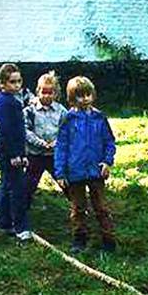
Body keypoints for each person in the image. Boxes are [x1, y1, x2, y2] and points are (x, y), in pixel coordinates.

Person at [54, 76, 116, 253]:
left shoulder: (99, 117)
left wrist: (107, 161)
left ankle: (108, 239)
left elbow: (109, 141)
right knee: (78, 208)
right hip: (75, 172)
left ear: (93, 95)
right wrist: (60, 173)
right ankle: (79, 238)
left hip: (96, 171)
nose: (85, 99)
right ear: (72, 98)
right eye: (80, 96)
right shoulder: (68, 119)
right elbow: (61, 146)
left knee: (101, 207)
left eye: (88, 94)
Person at [0, 63, 31, 240]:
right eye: (12, 82)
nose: (17, 85)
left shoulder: (11, 101)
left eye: (19, 81)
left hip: (12, 150)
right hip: (8, 151)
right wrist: (15, 155)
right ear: (2, 84)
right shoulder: (5, 103)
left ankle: (4, 221)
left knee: (7, 184)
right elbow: (7, 131)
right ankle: (20, 227)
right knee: (16, 189)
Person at [25, 71, 67, 205]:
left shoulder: (61, 111)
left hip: (55, 154)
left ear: (56, 93)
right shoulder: (30, 111)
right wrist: (39, 142)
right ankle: (21, 210)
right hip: (35, 154)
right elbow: (25, 130)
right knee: (28, 185)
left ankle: (78, 207)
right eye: (44, 92)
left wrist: (56, 143)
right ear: (38, 91)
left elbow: (66, 130)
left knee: (66, 182)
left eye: (51, 92)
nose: (47, 95)